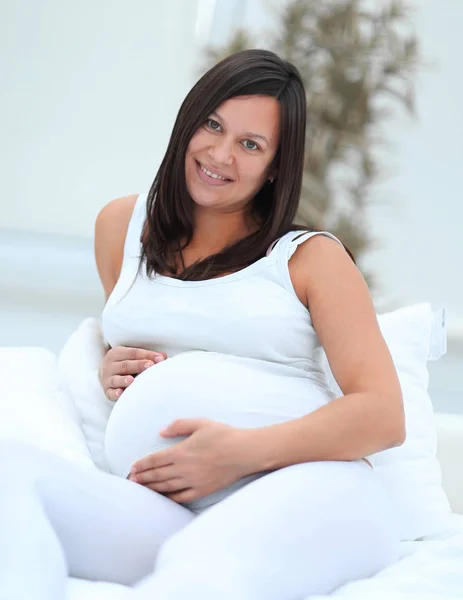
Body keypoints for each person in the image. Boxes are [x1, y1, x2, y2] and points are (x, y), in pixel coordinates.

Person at [0, 49, 405, 600]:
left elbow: (383, 415)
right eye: (212, 125)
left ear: (275, 167)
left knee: (200, 569)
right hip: (169, 506)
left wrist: (242, 453)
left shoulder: (309, 260)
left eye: (250, 144)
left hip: (313, 490)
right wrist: (110, 367)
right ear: (189, 120)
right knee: (9, 473)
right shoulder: (121, 226)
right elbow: (139, 351)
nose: (219, 153)